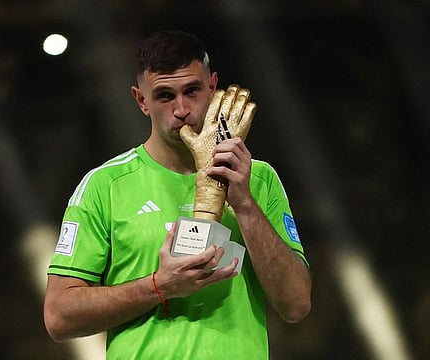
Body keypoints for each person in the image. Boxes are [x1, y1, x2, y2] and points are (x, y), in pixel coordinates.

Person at [44, 30, 312, 359]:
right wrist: (160, 286)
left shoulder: (258, 179)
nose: (182, 109)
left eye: (192, 90)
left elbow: (296, 304)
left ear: (212, 87)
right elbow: (59, 317)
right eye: (165, 96)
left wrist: (243, 204)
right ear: (141, 101)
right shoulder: (105, 185)